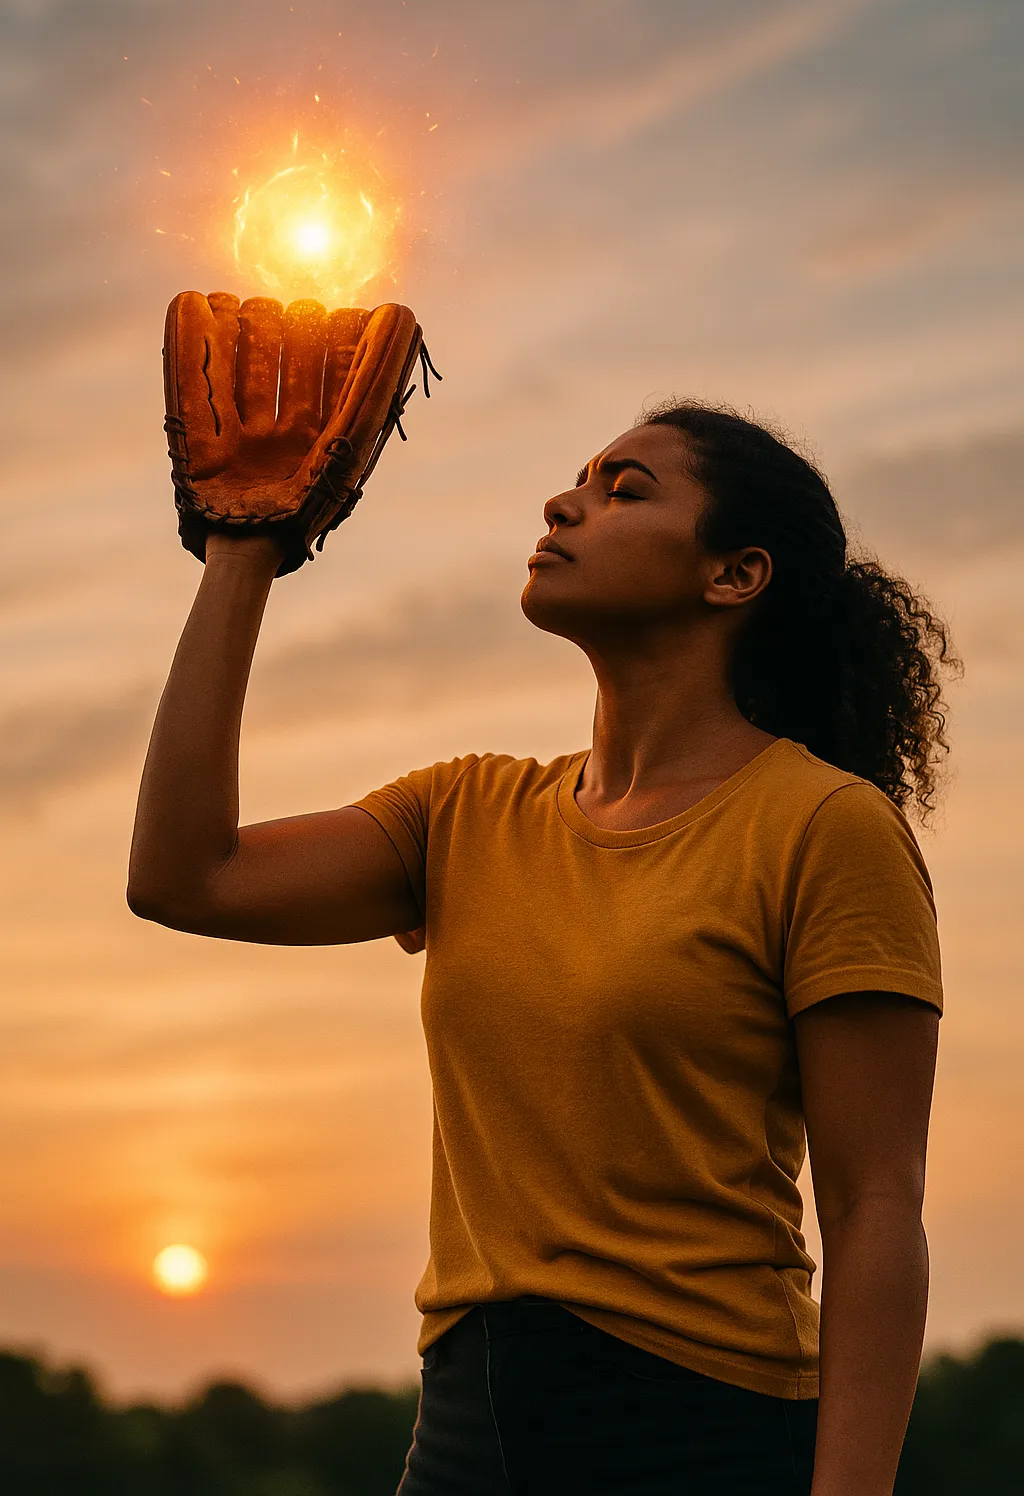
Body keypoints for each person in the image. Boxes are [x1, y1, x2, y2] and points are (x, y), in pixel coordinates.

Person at [129, 399, 955, 1496]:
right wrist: (242, 550)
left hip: (703, 1432)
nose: (564, 504)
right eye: (578, 480)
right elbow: (186, 876)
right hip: (466, 1434)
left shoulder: (825, 827)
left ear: (734, 575)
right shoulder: (464, 814)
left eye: (624, 490)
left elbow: (874, 1205)